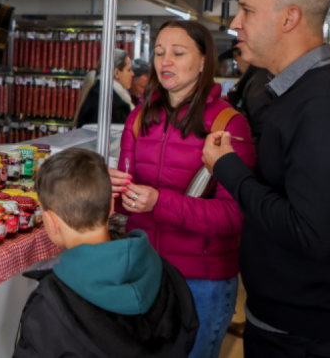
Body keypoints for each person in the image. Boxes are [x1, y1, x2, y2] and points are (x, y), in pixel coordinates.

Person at [202, 0, 330, 358]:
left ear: (289, 17)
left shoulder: (321, 103)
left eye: (247, 10)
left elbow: (310, 233)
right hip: (282, 321)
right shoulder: (293, 94)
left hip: (304, 335)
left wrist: (228, 169)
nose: (235, 23)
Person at [109, 20, 256, 358]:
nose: (165, 63)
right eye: (159, 53)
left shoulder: (228, 124)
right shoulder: (139, 117)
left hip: (201, 282)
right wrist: (111, 190)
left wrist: (158, 202)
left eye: (178, 53)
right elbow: (125, 198)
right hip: (144, 273)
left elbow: (235, 215)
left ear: (204, 62)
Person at [13, 148, 199, 358]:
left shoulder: (48, 305)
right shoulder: (167, 272)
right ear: (112, 205)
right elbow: (189, 331)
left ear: (50, 222)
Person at [224, 48, 272, 147]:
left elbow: (261, 128)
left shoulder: (259, 81)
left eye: (236, 60)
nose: (237, 66)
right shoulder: (257, 78)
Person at [74, 48, 134, 127]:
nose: (132, 74)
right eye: (129, 70)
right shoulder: (109, 102)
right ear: (116, 73)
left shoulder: (101, 94)